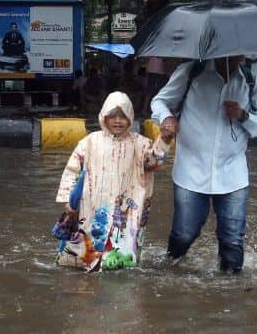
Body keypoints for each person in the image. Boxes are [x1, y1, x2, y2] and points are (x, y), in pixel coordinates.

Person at [151, 56, 257, 274]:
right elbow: (160, 101)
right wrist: (167, 118)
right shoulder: (191, 71)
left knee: (233, 242)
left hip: (233, 173)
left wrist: (243, 115)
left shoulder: (249, 80)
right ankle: (167, 273)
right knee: (183, 235)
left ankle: (231, 297)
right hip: (190, 169)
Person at [54, 92, 174, 272]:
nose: (118, 120)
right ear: (104, 117)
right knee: (81, 257)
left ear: (130, 118)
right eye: (113, 116)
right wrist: (67, 201)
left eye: (123, 116)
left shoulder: (140, 144)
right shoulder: (90, 142)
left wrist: (164, 140)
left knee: (120, 265)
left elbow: (153, 162)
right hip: (91, 206)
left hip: (126, 210)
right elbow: (72, 170)